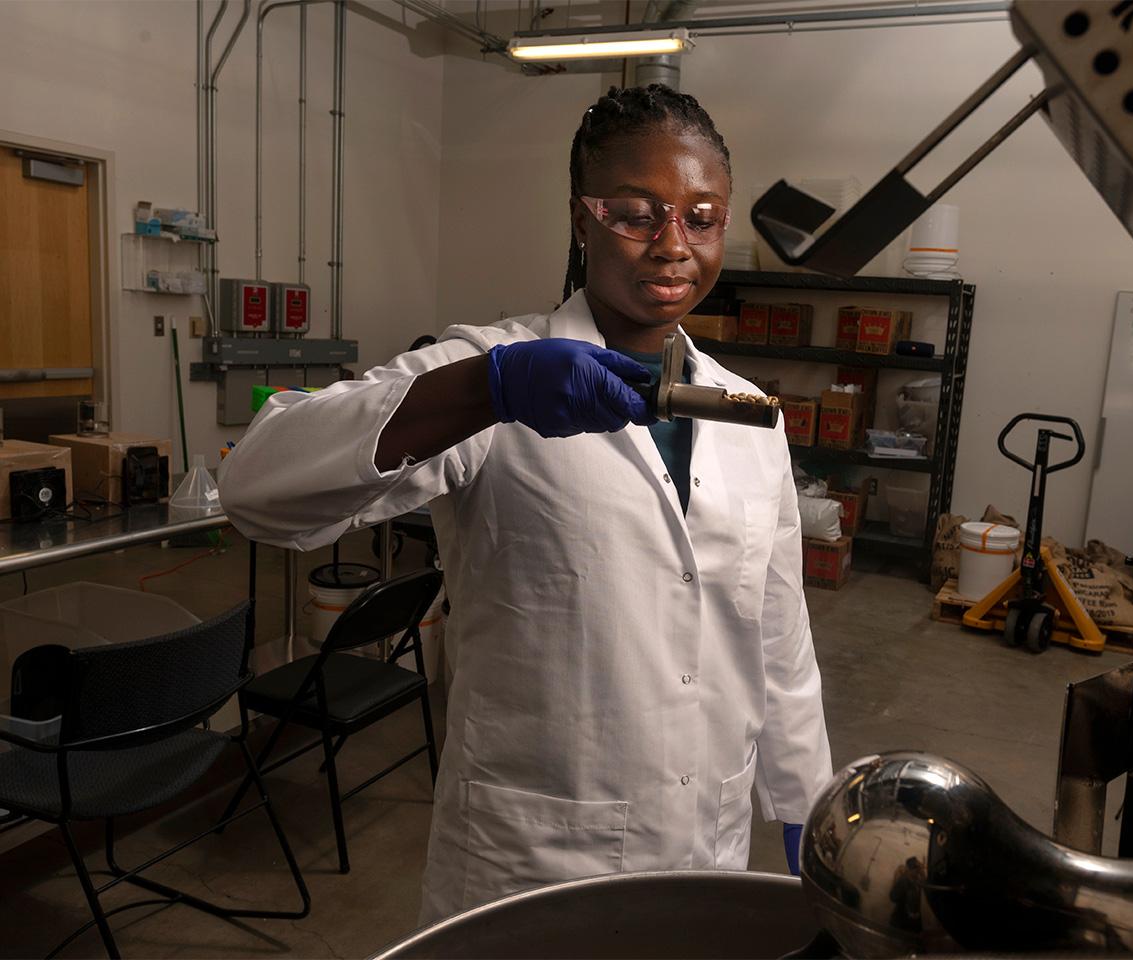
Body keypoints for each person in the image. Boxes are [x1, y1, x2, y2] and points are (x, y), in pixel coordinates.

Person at [219, 83, 832, 923]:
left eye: (701, 215)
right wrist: (488, 391)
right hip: (535, 857)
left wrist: (807, 808)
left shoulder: (745, 412)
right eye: (635, 212)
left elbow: (777, 633)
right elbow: (255, 487)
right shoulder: (494, 367)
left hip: (703, 840)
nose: (672, 244)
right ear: (581, 222)